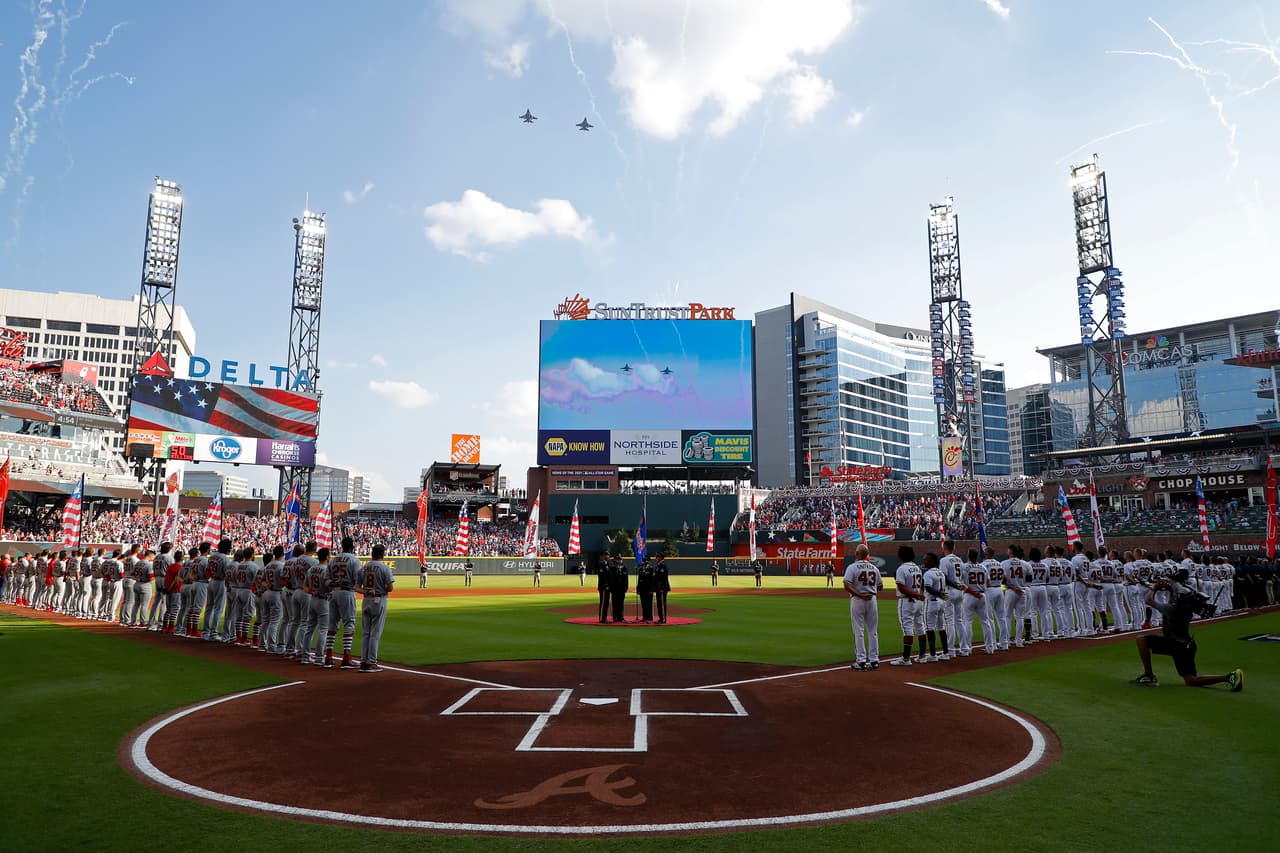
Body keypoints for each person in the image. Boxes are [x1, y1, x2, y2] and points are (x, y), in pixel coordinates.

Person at [1131, 569, 1243, 691]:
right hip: (1185, 644)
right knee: (1191, 680)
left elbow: (1148, 601)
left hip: (1175, 645)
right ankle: (1229, 677)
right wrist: (1170, 589)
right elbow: (1177, 599)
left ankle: (1149, 675)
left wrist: (1155, 588)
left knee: (1141, 640)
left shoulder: (1172, 609)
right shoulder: (1185, 606)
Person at [843, 544, 882, 671]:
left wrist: (860, 593)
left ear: (857, 553)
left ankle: (861, 661)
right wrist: (870, 590)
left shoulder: (852, 567)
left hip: (858, 599)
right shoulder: (874, 568)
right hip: (872, 600)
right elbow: (881, 587)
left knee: (858, 630)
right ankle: (874, 660)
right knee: (873, 630)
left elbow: (847, 585)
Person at [358, 544, 395, 673]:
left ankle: (363, 661)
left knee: (366, 633)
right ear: (382, 554)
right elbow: (390, 588)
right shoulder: (384, 568)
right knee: (375, 634)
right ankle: (372, 663)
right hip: (379, 600)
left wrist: (366, 591)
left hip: (366, 600)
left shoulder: (364, 568)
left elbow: (356, 587)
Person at [326, 537, 361, 670]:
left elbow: (326, 579)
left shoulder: (333, 559)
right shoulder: (353, 559)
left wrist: (334, 584)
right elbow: (358, 580)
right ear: (352, 546)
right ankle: (346, 658)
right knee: (349, 623)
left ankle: (328, 657)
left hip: (333, 592)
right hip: (347, 593)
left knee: (332, 624)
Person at [892, 546, 926, 666]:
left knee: (908, 629)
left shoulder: (902, 569)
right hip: (918, 602)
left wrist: (915, 595)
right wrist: (919, 595)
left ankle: (906, 659)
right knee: (920, 626)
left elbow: (901, 587)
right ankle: (922, 656)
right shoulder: (917, 568)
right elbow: (922, 585)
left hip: (907, 601)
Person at [608, 556, 629, 622]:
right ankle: (615, 617)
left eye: (620, 560)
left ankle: (621, 617)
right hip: (614, 588)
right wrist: (610, 588)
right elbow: (610, 579)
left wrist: (626, 587)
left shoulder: (624, 568)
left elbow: (626, 579)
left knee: (621, 603)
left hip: (622, 589)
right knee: (614, 603)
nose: (618, 561)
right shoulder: (612, 568)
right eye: (617, 560)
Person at [636, 557, 655, 622]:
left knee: (649, 604)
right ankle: (644, 617)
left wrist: (652, 589)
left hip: (648, 589)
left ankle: (649, 618)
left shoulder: (651, 569)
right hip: (642, 589)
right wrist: (638, 589)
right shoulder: (641, 569)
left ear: (648, 561)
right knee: (643, 604)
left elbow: (652, 580)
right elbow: (639, 579)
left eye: (646, 560)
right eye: (644, 560)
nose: (645, 562)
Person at [654, 555, 671, 623]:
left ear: (661, 557)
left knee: (662, 604)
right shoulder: (659, 565)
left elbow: (663, 578)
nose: (656, 558)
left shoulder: (663, 565)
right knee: (659, 603)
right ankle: (660, 618)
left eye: (657, 557)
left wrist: (661, 587)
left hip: (662, 588)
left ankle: (663, 619)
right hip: (658, 588)